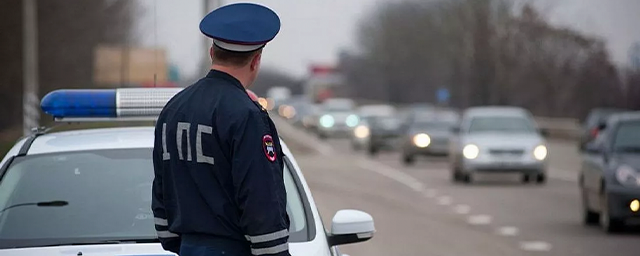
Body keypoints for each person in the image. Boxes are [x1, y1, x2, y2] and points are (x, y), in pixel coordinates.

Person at [151, 3, 290, 256]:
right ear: (256, 60)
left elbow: (161, 187)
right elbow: (260, 200)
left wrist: (180, 242)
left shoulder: (174, 109)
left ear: (212, 52)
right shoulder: (247, 115)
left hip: (188, 248)